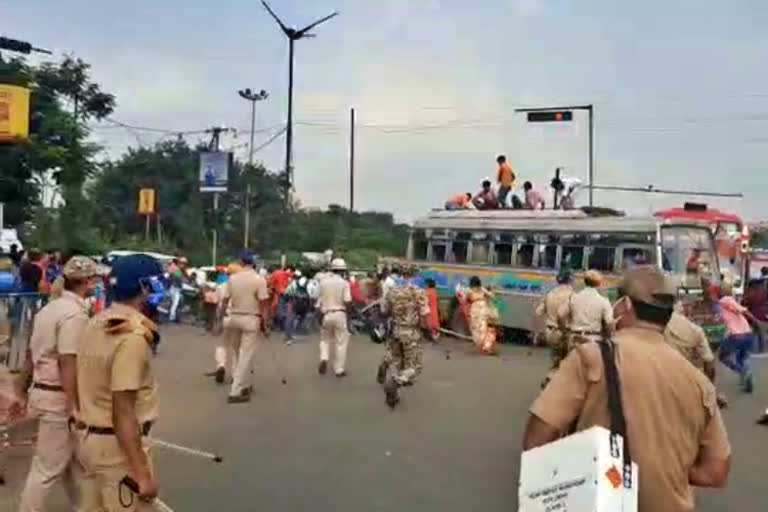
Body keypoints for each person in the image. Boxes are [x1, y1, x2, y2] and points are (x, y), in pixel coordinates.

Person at [523, 265, 731, 512]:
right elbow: (715, 472)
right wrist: (666, 471)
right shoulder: (698, 382)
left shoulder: (590, 358)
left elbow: (536, 439)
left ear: (625, 305)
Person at [76, 254, 164, 510]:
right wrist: (141, 473)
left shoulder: (94, 323)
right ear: (144, 288)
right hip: (117, 450)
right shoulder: (132, 337)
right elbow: (123, 410)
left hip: (90, 440)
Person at [18, 257, 106, 512]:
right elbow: (68, 360)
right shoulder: (74, 315)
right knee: (47, 469)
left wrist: (21, 388)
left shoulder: (50, 309)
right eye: (94, 280)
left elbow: (31, 355)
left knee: (74, 465)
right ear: (87, 282)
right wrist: (73, 405)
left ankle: (84, 507)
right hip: (58, 398)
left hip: (43, 392)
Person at [219, 251, 270, 402]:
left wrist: (220, 318)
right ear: (254, 263)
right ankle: (235, 391)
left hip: (234, 317)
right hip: (251, 319)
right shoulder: (259, 280)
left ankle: (241, 384)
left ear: (241, 262)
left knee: (236, 353)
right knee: (245, 355)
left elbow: (225, 300)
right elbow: (263, 303)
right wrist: (265, 323)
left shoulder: (232, 279)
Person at [378, 266, 430, 408]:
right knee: (415, 366)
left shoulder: (392, 291)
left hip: (396, 331)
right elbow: (425, 314)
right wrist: (427, 330)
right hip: (411, 333)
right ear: (414, 274)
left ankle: (394, 385)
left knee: (397, 362)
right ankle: (396, 382)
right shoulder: (418, 291)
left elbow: (384, 311)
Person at [718, 279, 758, 393]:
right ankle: (746, 379)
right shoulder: (731, 301)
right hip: (747, 333)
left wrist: (756, 320)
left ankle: (742, 372)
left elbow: (742, 310)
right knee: (743, 357)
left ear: (722, 291)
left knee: (723, 357)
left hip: (736, 335)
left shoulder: (724, 300)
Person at [317, 258, 352, 377]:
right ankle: (339, 369)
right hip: (340, 313)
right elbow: (347, 300)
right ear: (343, 270)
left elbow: (317, 300)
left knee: (324, 340)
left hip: (326, 314)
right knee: (341, 342)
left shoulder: (323, 282)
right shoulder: (344, 283)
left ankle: (324, 357)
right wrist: (350, 314)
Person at [557, 269, 613, 344]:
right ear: (599, 283)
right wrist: (607, 337)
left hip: (574, 338)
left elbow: (560, 314)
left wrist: (564, 331)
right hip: (594, 340)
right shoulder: (603, 301)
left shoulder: (574, 297)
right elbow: (609, 323)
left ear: (585, 282)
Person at [535, 270, 574, 371]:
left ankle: (551, 377)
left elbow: (538, 312)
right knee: (566, 364)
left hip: (550, 332)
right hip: (565, 333)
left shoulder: (550, 294)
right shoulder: (572, 295)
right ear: (570, 280)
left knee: (554, 359)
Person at [465, 276, 497, 354]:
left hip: (475, 309)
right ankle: (487, 345)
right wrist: (492, 290)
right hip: (483, 309)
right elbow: (492, 296)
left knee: (475, 329)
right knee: (483, 328)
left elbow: (466, 299)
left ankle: (483, 344)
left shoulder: (469, 290)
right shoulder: (482, 289)